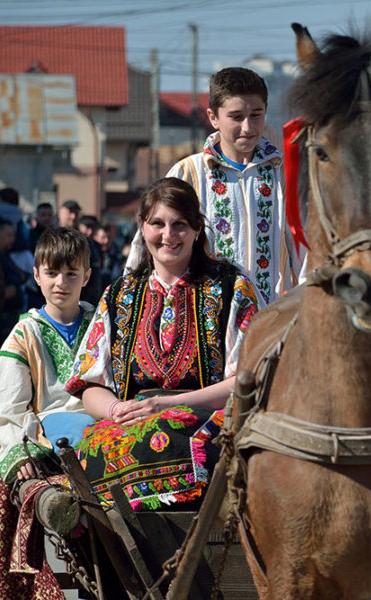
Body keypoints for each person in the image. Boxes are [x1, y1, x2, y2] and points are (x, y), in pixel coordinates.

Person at [66, 177, 259, 511]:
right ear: (143, 227)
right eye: (157, 224)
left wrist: (172, 406)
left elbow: (248, 382)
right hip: (130, 423)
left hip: (209, 420)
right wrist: (117, 410)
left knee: (168, 442)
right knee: (87, 459)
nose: (168, 236)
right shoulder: (119, 295)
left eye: (180, 225)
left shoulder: (232, 288)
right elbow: (88, 383)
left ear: (198, 229)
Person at [126, 67, 298, 305]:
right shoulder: (187, 173)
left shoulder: (283, 174)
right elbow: (146, 244)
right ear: (213, 117)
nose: (248, 127)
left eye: (256, 115)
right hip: (204, 319)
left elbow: (302, 252)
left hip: (271, 319)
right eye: (236, 117)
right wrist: (132, 305)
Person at [0, 227, 94, 599]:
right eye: (52, 273)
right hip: (48, 450)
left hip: (100, 441)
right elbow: (9, 409)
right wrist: (20, 452)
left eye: (72, 273)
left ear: (87, 276)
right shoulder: (23, 335)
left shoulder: (102, 326)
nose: (61, 282)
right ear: (36, 274)